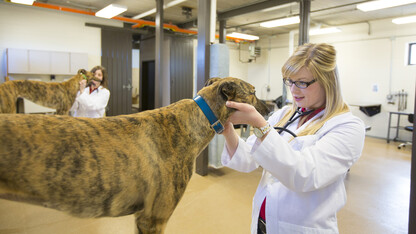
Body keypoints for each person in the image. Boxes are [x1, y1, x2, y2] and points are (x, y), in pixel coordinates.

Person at [221, 43, 365, 234]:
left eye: (302, 82)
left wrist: (259, 125)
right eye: (289, 81)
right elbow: (248, 159)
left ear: (327, 81)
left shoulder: (348, 127)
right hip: (265, 221)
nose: (293, 90)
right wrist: (227, 129)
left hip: (302, 228)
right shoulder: (284, 115)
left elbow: (304, 175)